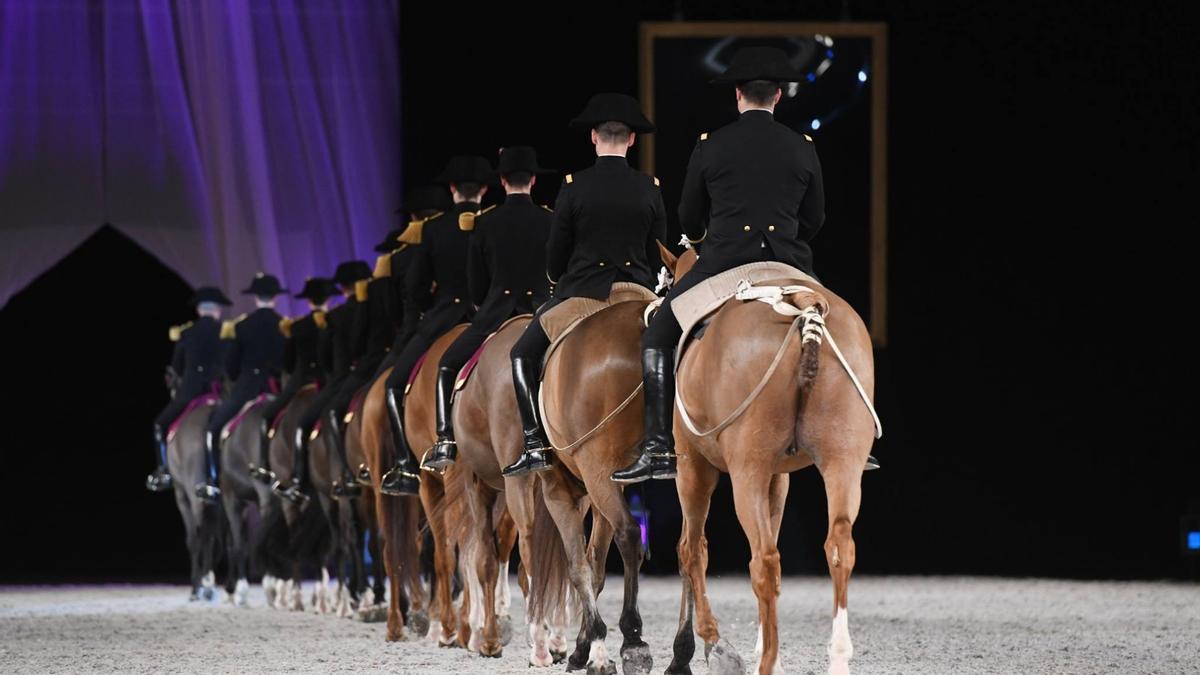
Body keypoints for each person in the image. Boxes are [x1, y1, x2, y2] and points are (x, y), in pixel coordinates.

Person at [615, 46, 876, 483]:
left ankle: (659, 446)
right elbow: (815, 218)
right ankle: (851, 436)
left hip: (721, 264)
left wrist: (706, 241)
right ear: (778, 96)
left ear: (738, 94)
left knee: (657, 338)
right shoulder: (802, 146)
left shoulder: (710, 145)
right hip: (790, 264)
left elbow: (690, 218)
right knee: (840, 329)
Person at [501, 94, 666, 477]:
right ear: (632, 140)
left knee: (522, 354)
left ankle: (535, 443)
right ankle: (663, 443)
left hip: (584, 295)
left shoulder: (574, 186)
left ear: (593, 137)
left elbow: (556, 255)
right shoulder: (649, 186)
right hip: (639, 293)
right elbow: (658, 250)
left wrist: (560, 279)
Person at [423, 146, 554, 470]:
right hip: (542, 312)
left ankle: (445, 441)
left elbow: (476, 283)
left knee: (447, 365)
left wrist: (484, 304)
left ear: (501, 180)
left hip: (498, 312)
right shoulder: (550, 219)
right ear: (534, 180)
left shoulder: (486, 222)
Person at [377, 156, 493, 496]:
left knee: (394, 387)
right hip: (486, 318)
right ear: (485, 190)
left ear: (453, 189)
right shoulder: (491, 222)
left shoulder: (433, 228)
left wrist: (424, 313)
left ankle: (406, 465)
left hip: (443, 317)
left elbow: (414, 289)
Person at [196, 273, 287, 500]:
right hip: (275, 389)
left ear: (255, 297)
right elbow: (288, 361)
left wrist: (238, 376)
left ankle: (213, 480)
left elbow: (231, 366)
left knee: (213, 429)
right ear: (275, 297)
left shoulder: (242, 325)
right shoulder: (284, 324)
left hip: (246, 389)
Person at [250, 277, 337, 487]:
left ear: (308, 301)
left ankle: (269, 467)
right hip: (330, 382)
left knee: (267, 417)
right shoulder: (335, 320)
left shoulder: (296, 326)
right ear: (329, 299)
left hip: (299, 382)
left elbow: (288, 363)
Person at [146, 287, 230, 492]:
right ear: (218, 310)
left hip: (190, 392)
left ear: (199, 310)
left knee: (159, 425)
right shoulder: (227, 332)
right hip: (219, 391)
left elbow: (176, 367)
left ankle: (163, 470)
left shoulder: (185, 334)